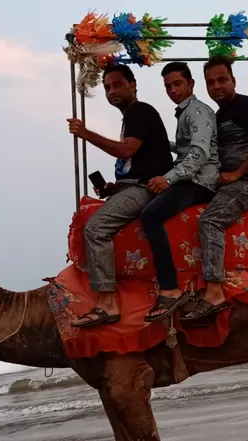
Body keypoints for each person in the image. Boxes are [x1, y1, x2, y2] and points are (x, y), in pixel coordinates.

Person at [66, 64, 174, 328]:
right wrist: (115, 188)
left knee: (96, 228)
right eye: (106, 88)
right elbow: (136, 159)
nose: (111, 91)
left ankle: (107, 302)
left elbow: (127, 150)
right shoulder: (131, 117)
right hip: (132, 185)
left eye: (116, 85)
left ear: (133, 85)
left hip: (145, 188)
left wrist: (86, 133)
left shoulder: (140, 111)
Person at [181, 56, 248, 322]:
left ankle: (214, 292)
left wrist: (239, 173)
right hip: (229, 179)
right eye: (211, 82)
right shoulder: (219, 116)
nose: (217, 86)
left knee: (210, 221)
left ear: (233, 80)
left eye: (222, 80)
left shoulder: (247, 105)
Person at [140, 62, 221, 322]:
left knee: (150, 216)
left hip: (201, 181)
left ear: (191, 84)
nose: (173, 90)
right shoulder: (185, 112)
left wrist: (168, 179)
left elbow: (198, 154)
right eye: (168, 86)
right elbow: (187, 148)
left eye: (177, 84)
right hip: (191, 176)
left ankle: (170, 287)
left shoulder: (197, 111)